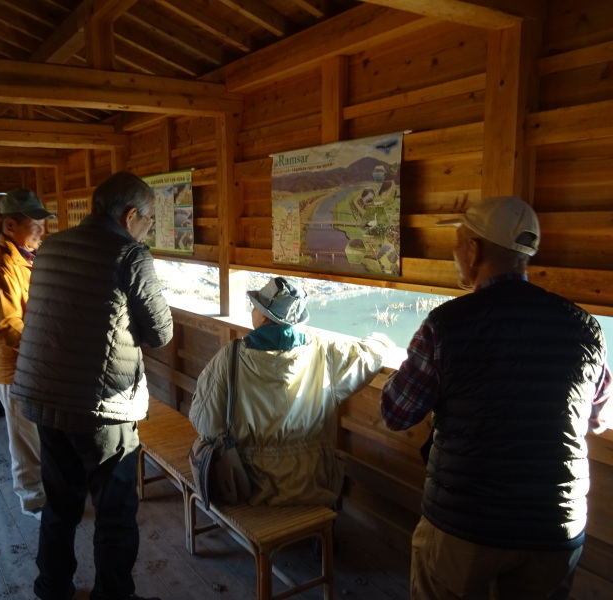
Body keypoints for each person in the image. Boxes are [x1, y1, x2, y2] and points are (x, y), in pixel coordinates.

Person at [380, 196, 612, 600]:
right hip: (555, 525)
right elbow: (597, 419)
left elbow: (396, 412)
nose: (454, 253)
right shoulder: (585, 327)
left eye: (458, 242)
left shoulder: (446, 325)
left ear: (474, 249)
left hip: (465, 522)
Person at [11, 171, 173, 600]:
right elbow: (160, 333)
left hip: (44, 396)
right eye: (149, 219)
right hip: (101, 405)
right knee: (115, 512)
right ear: (131, 214)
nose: (148, 228)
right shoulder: (130, 254)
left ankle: (52, 588)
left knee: (61, 505)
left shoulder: (53, 246)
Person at [190, 277, 393, 507]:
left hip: (247, 486)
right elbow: (372, 355)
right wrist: (378, 339)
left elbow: (203, 422)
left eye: (254, 307)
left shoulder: (230, 357)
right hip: (311, 484)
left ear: (264, 316)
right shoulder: (324, 354)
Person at [0, 189, 52, 518]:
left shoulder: (26, 258)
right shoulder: (1, 266)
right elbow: (8, 326)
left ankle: (44, 489)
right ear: (10, 225)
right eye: (36, 227)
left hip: (35, 362)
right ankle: (33, 499)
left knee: (37, 434)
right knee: (25, 440)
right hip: (15, 366)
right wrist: (45, 350)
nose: (43, 233)